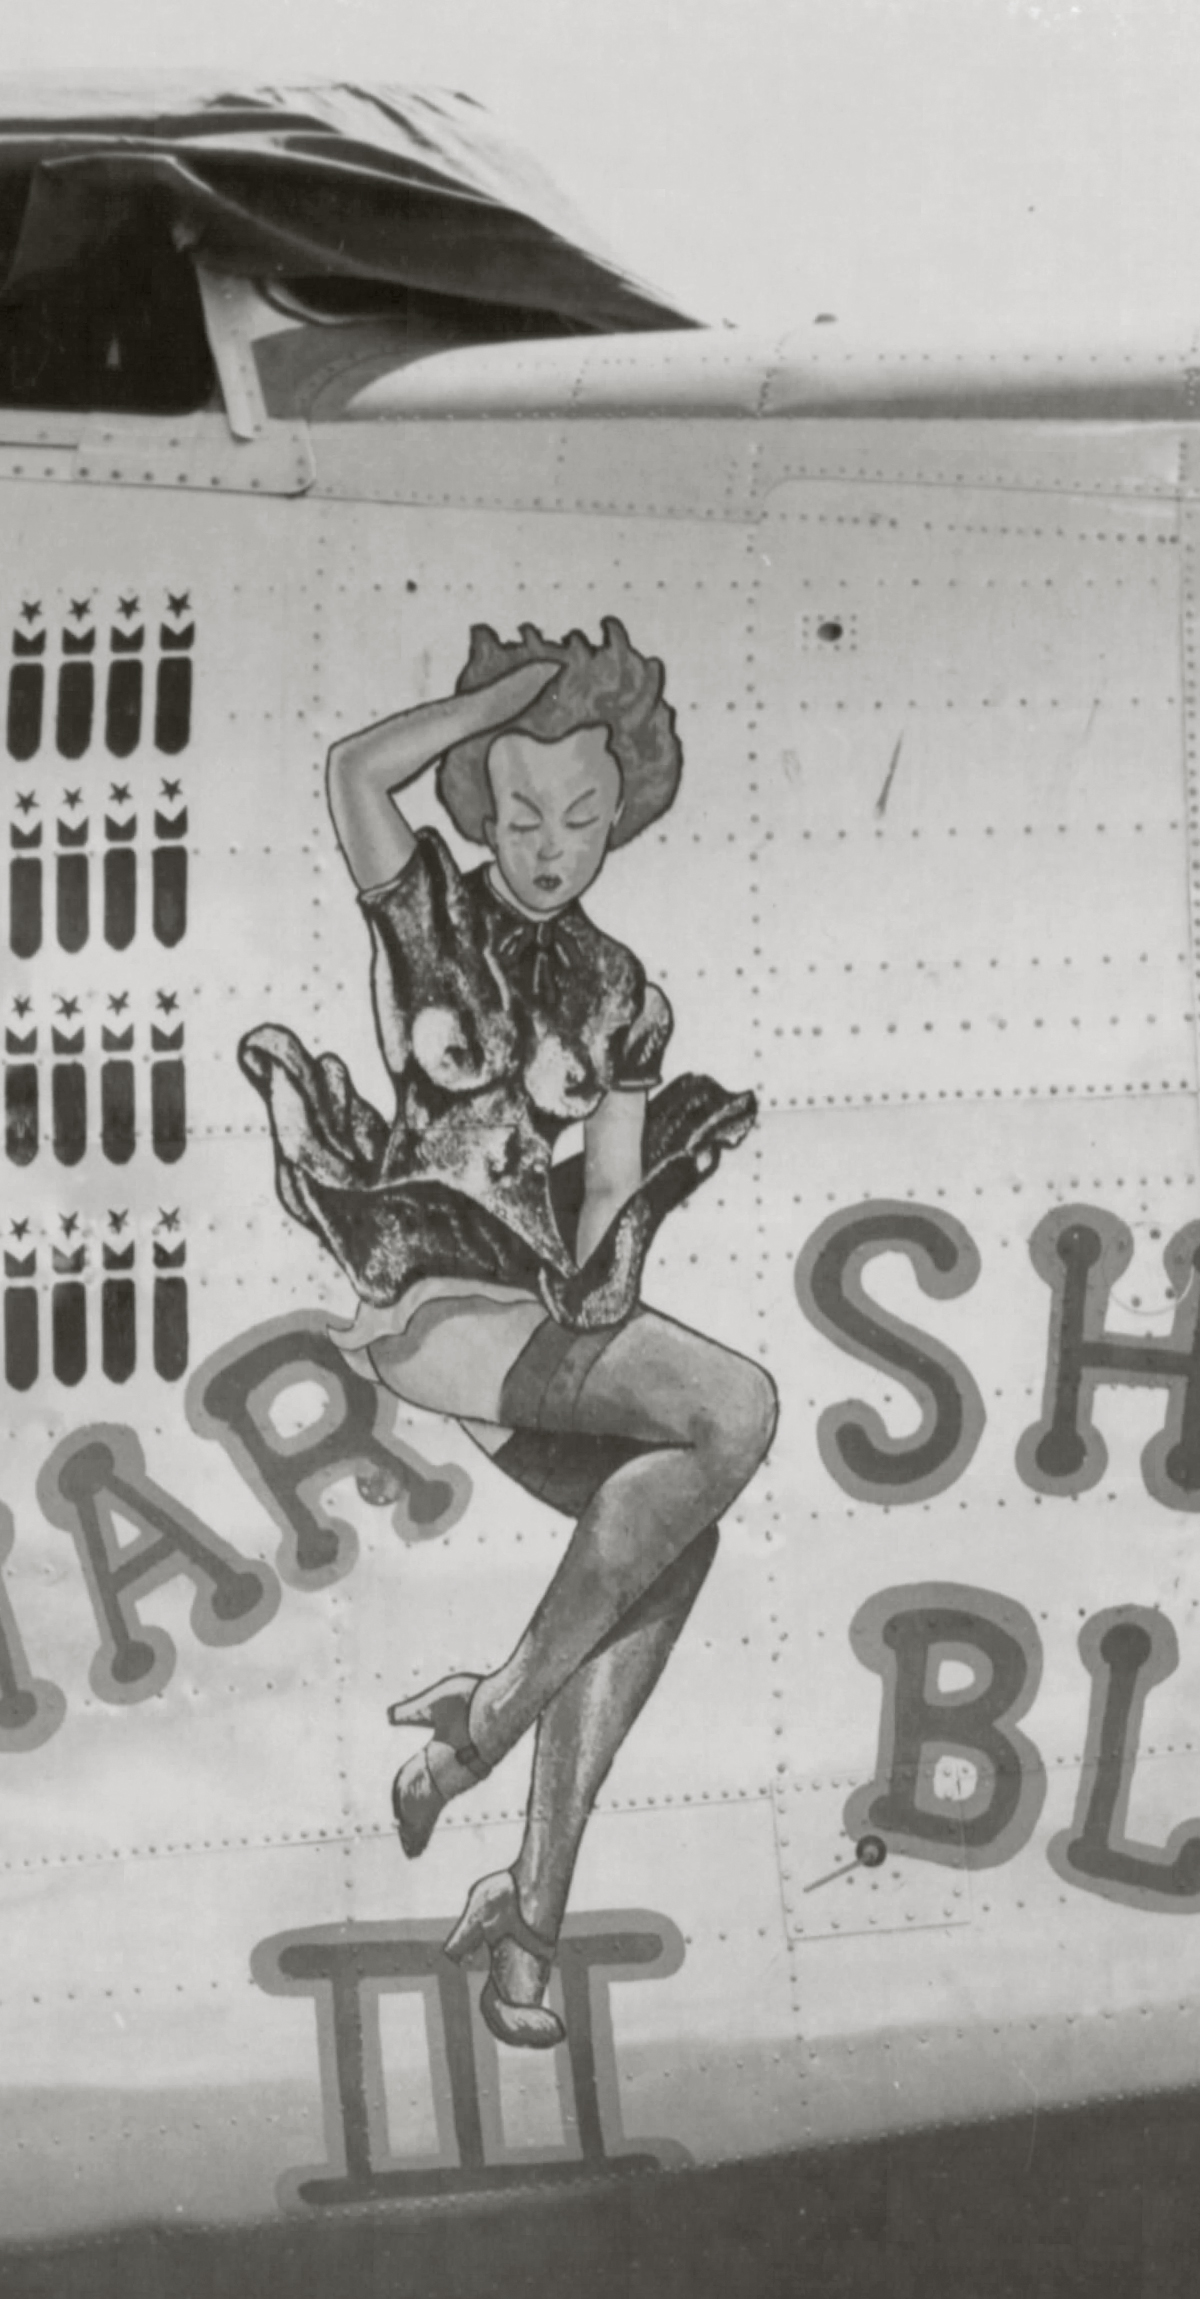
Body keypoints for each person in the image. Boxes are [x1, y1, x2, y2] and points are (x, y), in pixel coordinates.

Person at [239, 619, 769, 2049]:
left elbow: (604, 1185)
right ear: (477, 802)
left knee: (669, 1538)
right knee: (737, 1414)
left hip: (533, 1321)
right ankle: (483, 1722)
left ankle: (526, 1929)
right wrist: (491, 703)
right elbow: (354, 771)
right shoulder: (427, 915)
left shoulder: (616, 992)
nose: (551, 844)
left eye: (584, 816)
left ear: (624, 815)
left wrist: (612, 1266)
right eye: (522, 810)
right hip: (427, 1295)